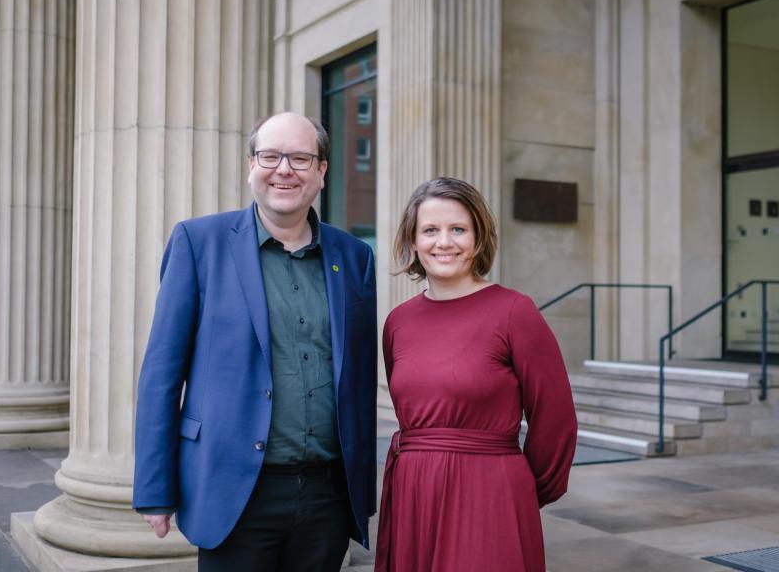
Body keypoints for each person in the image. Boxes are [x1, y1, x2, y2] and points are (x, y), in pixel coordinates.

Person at [132, 112, 377, 572]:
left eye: (301, 158)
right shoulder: (198, 242)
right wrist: (154, 488)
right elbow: (161, 376)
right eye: (271, 156)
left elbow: (359, 381)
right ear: (251, 165)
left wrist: (362, 490)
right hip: (234, 488)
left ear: (322, 171)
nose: (284, 169)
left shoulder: (355, 256)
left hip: (326, 495)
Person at [375, 177, 577, 572]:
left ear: (479, 238)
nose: (444, 242)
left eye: (458, 230)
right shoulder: (398, 322)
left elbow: (556, 419)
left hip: (490, 493)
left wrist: (515, 490)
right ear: (413, 242)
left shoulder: (515, 312)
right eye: (430, 230)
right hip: (413, 494)